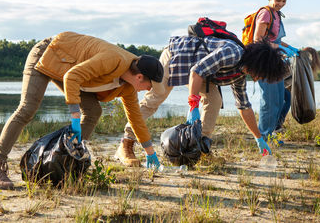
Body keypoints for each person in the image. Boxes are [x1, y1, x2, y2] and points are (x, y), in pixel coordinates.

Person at [0, 31, 164, 190]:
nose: (149, 90)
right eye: (150, 85)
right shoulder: (113, 60)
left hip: (71, 70)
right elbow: (72, 76)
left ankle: (69, 165)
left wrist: (150, 153)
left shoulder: (128, 87)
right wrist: (75, 117)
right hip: (50, 52)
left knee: (93, 112)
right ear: (139, 77)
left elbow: (135, 118)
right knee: (27, 108)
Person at [114, 34, 289, 167]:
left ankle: (201, 149)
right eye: (263, 74)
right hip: (177, 56)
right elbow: (196, 72)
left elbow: (244, 106)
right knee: (157, 96)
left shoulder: (240, 75)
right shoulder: (232, 53)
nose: (260, 79)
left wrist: (258, 138)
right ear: (259, 65)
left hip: (202, 71)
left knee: (214, 100)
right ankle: (126, 143)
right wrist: (193, 105)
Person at [252, 0, 300, 141]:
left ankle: (272, 132)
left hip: (276, 62)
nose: (280, 4)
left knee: (283, 99)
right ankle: (263, 138)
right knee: (269, 101)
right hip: (264, 62)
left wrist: (291, 48)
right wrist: (280, 48)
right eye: (277, 0)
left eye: (284, 1)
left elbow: (276, 39)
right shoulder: (265, 14)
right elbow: (258, 40)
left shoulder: (277, 15)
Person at [274, 46, 320, 133]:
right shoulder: (297, 62)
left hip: (281, 82)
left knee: (287, 101)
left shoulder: (300, 63)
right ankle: (277, 126)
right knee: (287, 101)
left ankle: (277, 125)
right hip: (277, 82)